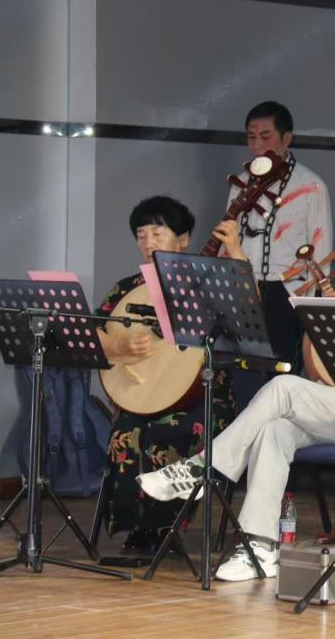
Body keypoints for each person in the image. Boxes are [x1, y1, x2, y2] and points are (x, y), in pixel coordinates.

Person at [137, 200, 335, 581]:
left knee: (282, 386)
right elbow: (318, 370)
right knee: (274, 430)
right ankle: (259, 546)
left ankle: (202, 468)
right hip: (332, 404)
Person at [97, 196, 244, 554]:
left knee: (165, 433)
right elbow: (94, 332)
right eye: (141, 235)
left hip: (203, 399)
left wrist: (236, 252)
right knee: (125, 432)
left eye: (157, 233)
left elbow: (245, 310)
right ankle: (138, 527)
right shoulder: (127, 288)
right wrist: (119, 346)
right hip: (146, 395)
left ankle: (165, 527)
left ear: (184, 239)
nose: (148, 243)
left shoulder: (208, 281)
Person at [231, 100, 333, 366]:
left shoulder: (310, 185)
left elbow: (321, 251)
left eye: (265, 136)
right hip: (245, 285)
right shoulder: (241, 182)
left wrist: (313, 304)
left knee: (281, 367)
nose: (257, 145)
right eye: (251, 137)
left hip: (287, 288)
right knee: (244, 365)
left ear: (287, 139)